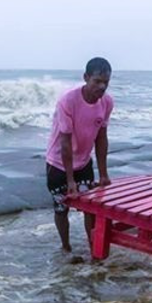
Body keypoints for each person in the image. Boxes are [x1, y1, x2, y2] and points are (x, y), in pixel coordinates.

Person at [45, 57, 113, 256]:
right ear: (86, 78)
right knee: (61, 208)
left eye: (106, 82)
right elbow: (64, 143)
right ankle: (65, 247)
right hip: (58, 164)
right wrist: (70, 180)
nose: (101, 87)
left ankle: (94, 247)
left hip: (84, 161)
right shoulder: (68, 101)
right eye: (97, 81)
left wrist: (103, 174)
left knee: (91, 207)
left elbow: (101, 139)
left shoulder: (106, 102)